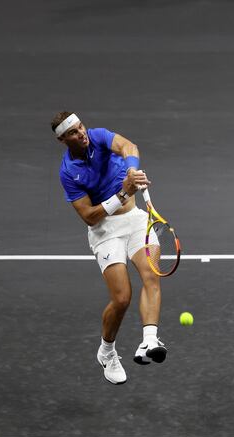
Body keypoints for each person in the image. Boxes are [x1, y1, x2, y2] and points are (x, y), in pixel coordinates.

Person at [53, 111, 168, 384]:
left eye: (80, 127)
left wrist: (131, 167)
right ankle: (107, 351)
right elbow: (89, 216)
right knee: (122, 298)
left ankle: (149, 341)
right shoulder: (69, 172)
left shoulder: (99, 136)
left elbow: (129, 146)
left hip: (136, 221)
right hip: (105, 231)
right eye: (73, 132)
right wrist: (125, 192)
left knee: (151, 274)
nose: (81, 133)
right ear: (63, 140)